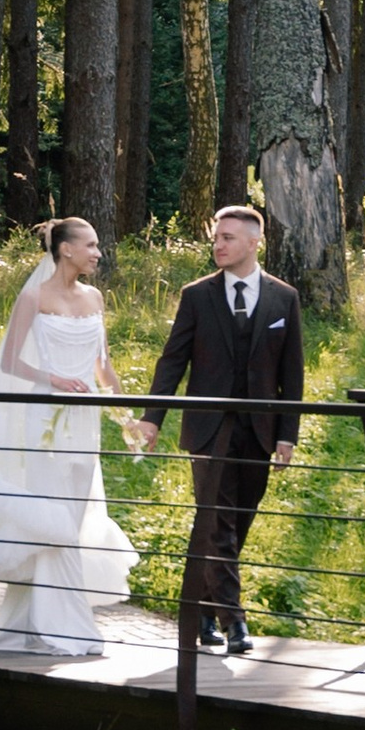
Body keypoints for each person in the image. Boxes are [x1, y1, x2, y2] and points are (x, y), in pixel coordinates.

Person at [0, 216, 138, 654]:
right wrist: (55, 378)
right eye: (90, 245)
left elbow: (104, 368)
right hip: (44, 417)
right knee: (54, 521)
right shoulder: (34, 296)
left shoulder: (96, 298)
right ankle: (66, 628)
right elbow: (10, 362)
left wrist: (127, 418)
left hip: (85, 424)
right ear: (65, 249)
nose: (97, 253)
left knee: (74, 512)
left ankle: (30, 622)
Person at [122, 200, 302, 654]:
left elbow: (292, 373)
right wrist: (152, 417)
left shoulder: (284, 297)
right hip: (208, 429)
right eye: (216, 237)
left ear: (254, 242)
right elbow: (172, 360)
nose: (217, 245)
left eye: (227, 238)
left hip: (259, 431)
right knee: (217, 521)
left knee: (235, 524)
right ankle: (234, 620)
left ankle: (201, 610)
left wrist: (287, 433)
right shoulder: (197, 294)